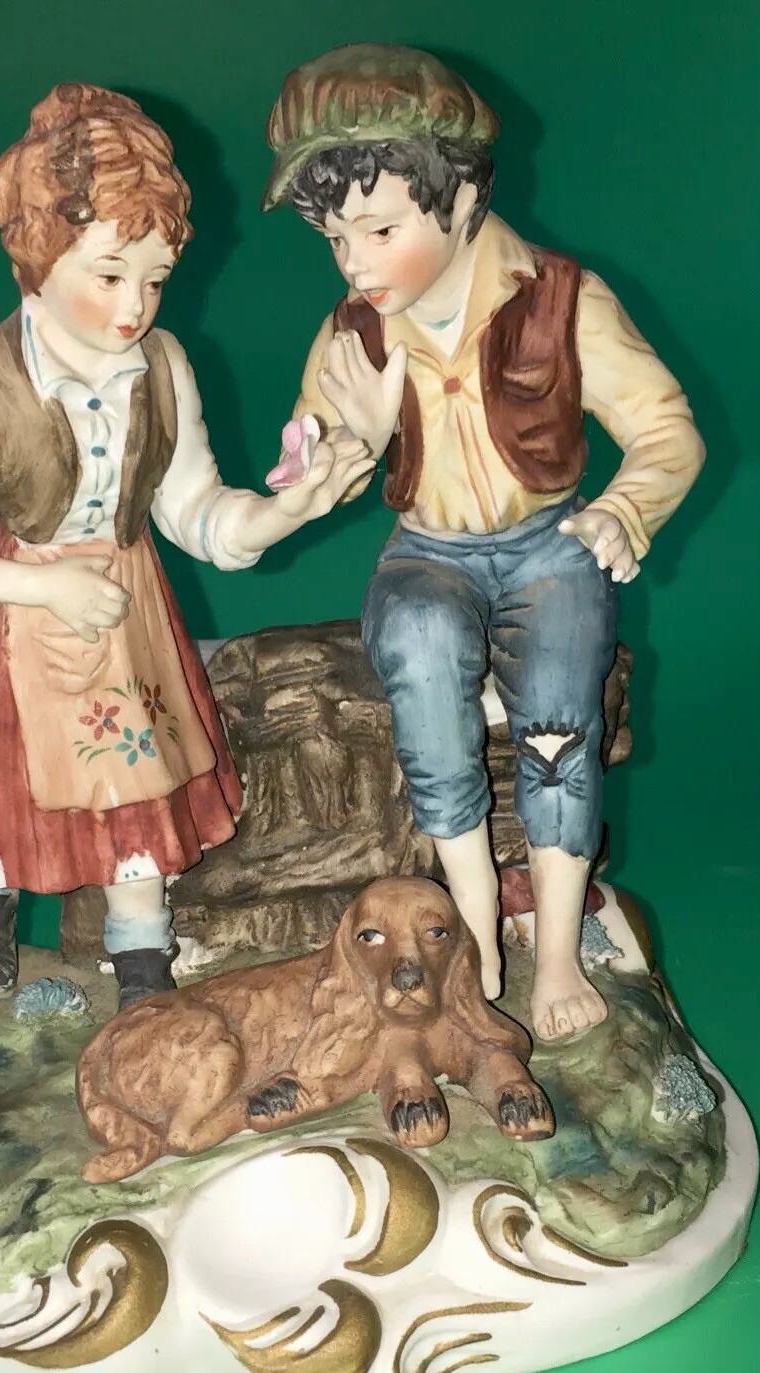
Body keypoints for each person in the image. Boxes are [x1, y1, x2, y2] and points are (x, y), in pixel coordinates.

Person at [0, 82, 371, 1006]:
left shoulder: (162, 369)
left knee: (135, 787)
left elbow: (197, 514)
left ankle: (141, 961)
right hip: (17, 620)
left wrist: (289, 510)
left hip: (130, 621)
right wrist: (38, 585)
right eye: (107, 275)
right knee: (0, 787)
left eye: (155, 278)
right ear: (37, 257)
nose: (135, 305)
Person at [262, 44, 706, 1041]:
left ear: (459, 198)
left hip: (548, 540)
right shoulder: (354, 330)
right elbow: (308, 454)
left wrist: (623, 510)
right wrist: (335, 447)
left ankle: (556, 951)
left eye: (381, 230)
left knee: (558, 715)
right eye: (335, 239)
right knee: (419, 652)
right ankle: (473, 931)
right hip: (428, 551)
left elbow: (666, 429)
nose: (356, 263)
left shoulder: (559, 296)